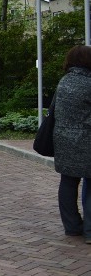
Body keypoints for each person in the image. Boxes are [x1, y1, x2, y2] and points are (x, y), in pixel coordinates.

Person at [51, 44, 91, 242]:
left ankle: (72, 226)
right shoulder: (89, 83)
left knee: (67, 183)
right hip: (87, 140)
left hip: (64, 140)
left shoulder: (64, 82)